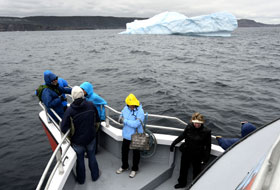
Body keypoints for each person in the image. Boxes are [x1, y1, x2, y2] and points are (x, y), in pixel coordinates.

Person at [61, 86, 100, 184]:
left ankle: (81, 180)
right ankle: (95, 176)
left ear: (73, 96)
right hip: (91, 138)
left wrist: (71, 136)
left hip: (77, 141)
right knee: (92, 157)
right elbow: (98, 119)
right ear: (82, 94)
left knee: (80, 160)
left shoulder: (69, 111)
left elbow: (63, 128)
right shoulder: (91, 105)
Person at [170, 112, 211, 189]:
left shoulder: (207, 131)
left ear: (202, 123)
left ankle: (195, 185)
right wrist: (173, 143)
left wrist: (206, 158)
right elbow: (182, 136)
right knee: (183, 169)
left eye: (199, 123)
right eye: (195, 123)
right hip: (187, 152)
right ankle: (182, 183)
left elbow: (208, 146)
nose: (197, 125)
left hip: (198, 154)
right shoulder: (189, 127)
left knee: (196, 171)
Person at [116, 93, 145, 178]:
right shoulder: (125, 108)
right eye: (130, 105)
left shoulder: (141, 111)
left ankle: (134, 169)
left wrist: (124, 121)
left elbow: (136, 124)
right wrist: (121, 118)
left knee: (136, 154)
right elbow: (121, 116)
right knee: (124, 152)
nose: (131, 107)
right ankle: (124, 166)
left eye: (133, 105)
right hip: (126, 135)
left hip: (137, 135)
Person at [80, 81, 107, 153]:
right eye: (81, 89)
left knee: (94, 135)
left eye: (83, 89)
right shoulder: (84, 97)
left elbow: (104, 103)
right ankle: (89, 150)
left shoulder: (94, 97)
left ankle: (95, 151)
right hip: (88, 118)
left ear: (87, 89)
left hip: (95, 119)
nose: (82, 91)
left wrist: (102, 116)